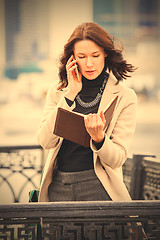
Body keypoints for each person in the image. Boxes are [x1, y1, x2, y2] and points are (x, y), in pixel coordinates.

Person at [37, 22, 137, 202]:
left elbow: (117, 159)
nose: (89, 63)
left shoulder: (125, 97)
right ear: (72, 58)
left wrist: (99, 138)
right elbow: (45, 141)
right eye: (82, 56)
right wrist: (70, 94)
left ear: (105, 53)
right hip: (59, 187)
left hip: (100, 186)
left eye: (95, 55)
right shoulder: (58, 91)